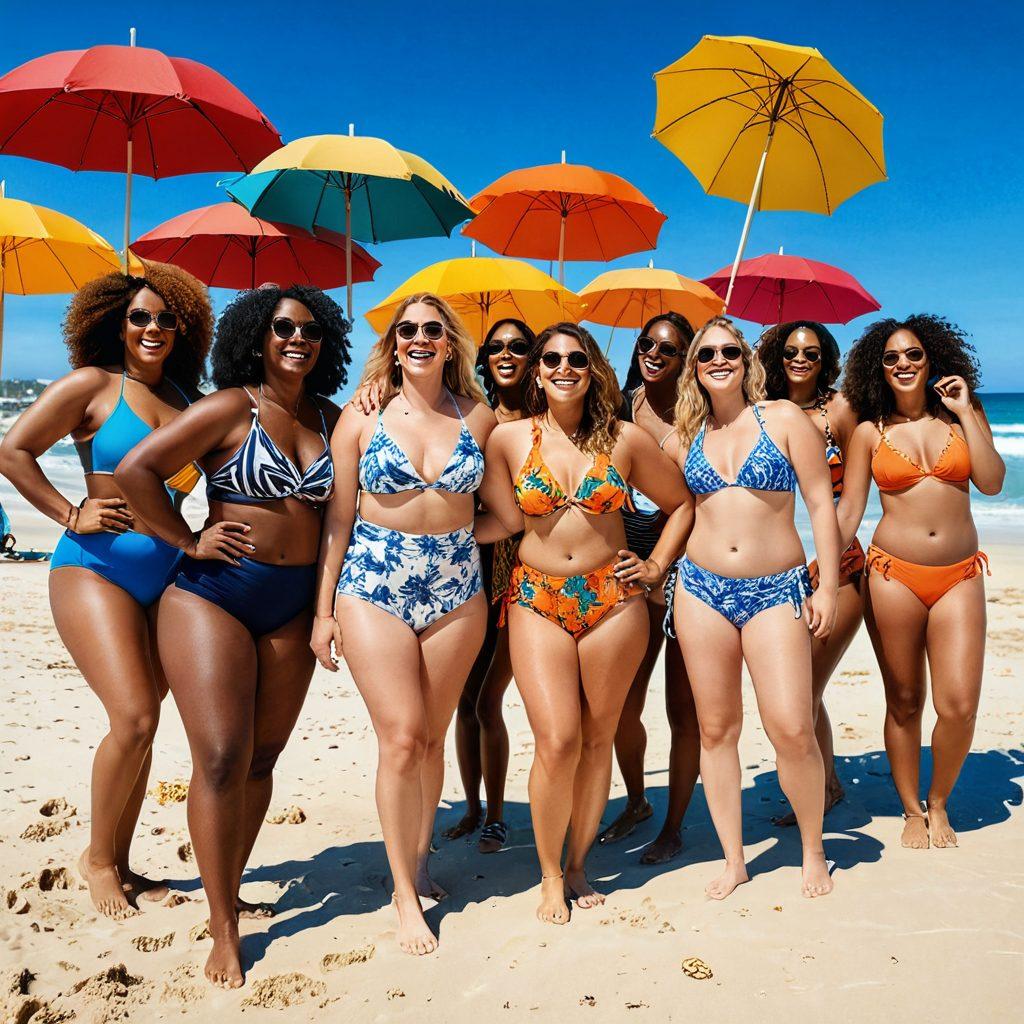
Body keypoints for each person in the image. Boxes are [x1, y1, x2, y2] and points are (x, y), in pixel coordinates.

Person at [116, 285, 349, 988]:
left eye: (310, 329)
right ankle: (223, 926)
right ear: (256, 335)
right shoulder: (229, 407)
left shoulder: (332, 417)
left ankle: (232, 885)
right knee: (220, 756)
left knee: (261, 758)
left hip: (291, 605)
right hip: (211, 597)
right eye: (282, 328)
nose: (296, 339)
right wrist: (186, 538)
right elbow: (136, 471)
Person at [0, 265, 212, 920]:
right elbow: (13, 451)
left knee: (144, 729)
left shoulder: (186, 398)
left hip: (166, 578)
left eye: (165, 318)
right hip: (94, 569)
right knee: (136, 716)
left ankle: (122, 863)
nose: (152, 328)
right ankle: (97, 859)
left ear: (185, 328)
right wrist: (70, 512)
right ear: (114, 325)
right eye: (139, 317)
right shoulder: (93, 386)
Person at [479, 322, 689, 925]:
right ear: (538, 371)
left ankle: (577, 865)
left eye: (575, 358)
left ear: (592, 367)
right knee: (557, 740)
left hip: (614, 600)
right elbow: (499, 520)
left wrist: (654, 564)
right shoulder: (508, 440)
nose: (562, 367)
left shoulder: (624, 439)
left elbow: (681, 504)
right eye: (551, 359)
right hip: (536, 597)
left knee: (598, 740)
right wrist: (426, 533)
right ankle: (547, 875)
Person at [311, 294, 497, 956]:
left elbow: (502, 511)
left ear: (450, 344)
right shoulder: (362, 417)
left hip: (456, 589)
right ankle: (402, 894)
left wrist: (457, 541)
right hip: (373, 585)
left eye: (433, 330)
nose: (420, 338)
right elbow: (337, 519)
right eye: (408, 329)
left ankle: (419, 862)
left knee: (431, 738)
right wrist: (322, 612)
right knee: (400, 737)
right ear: (394, 341)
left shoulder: (479, 416)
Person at [635, 316, 841, 900]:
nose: (719, 360)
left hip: (777, 589)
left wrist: (824, 587)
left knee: (792, 727)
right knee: (717, 729)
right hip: (701, 590)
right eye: (706, 355)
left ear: (747, 360)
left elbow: (822, 506)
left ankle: (812, 848)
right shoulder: (681, 438)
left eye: (730, 351)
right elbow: (632, 473)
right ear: (692, 368)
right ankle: (734, 859)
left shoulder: (783, 418)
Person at [837, 315, 1004, 850]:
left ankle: (939, 801)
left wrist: (964, 409)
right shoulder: (869, 431)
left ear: (932, 359)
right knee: (905, 699)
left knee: (957, 705)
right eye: (891, 358)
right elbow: (849, 510)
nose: (903, 364)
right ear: (877, 369)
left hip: (959, 576)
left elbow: (994, 482)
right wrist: (818, 560)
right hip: (892, 575)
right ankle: (912, 808)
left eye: (913, 355)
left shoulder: (963, 415)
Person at [598, 312, 701, 865]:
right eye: (646, 343)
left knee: (683, 713)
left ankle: (674, 825)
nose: (654, 353)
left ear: (688, 358)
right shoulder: (617, 404)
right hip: (629, 570)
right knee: (619, 707)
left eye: (669, 347)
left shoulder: (704, 413)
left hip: (692, 573)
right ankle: (637, 800)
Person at [756, 321, 862, 823]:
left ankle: (820, 789)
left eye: (812, 353)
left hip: (836, 566)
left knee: (805, 690)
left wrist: (825, 570)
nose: (801, 359)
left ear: (826, 360)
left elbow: (849, 504)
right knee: (799, 693)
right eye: (791, 350)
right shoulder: (760, 408)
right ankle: (828, 784)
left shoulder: (839, 409)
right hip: (774, 570)